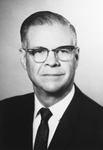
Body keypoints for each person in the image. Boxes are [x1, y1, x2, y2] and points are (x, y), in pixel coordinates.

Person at [0, 11, 103, 150]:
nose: (52, 62)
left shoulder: (99, 126)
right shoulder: (4, 113)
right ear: (24, 59)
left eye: (63, 50)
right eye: (39, 51)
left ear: (76, 58)